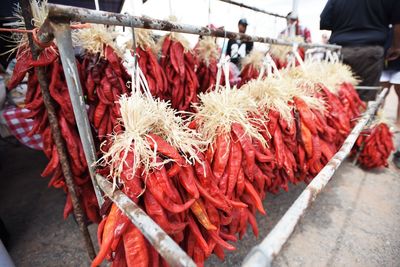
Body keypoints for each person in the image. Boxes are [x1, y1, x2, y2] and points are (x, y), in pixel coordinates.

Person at [320, 0, 400, 101]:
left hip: (339, 51)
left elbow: (324, 22)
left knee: (335, 95)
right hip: (371, 52)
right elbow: (397, 21)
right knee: (364, 98)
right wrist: (396, 46)